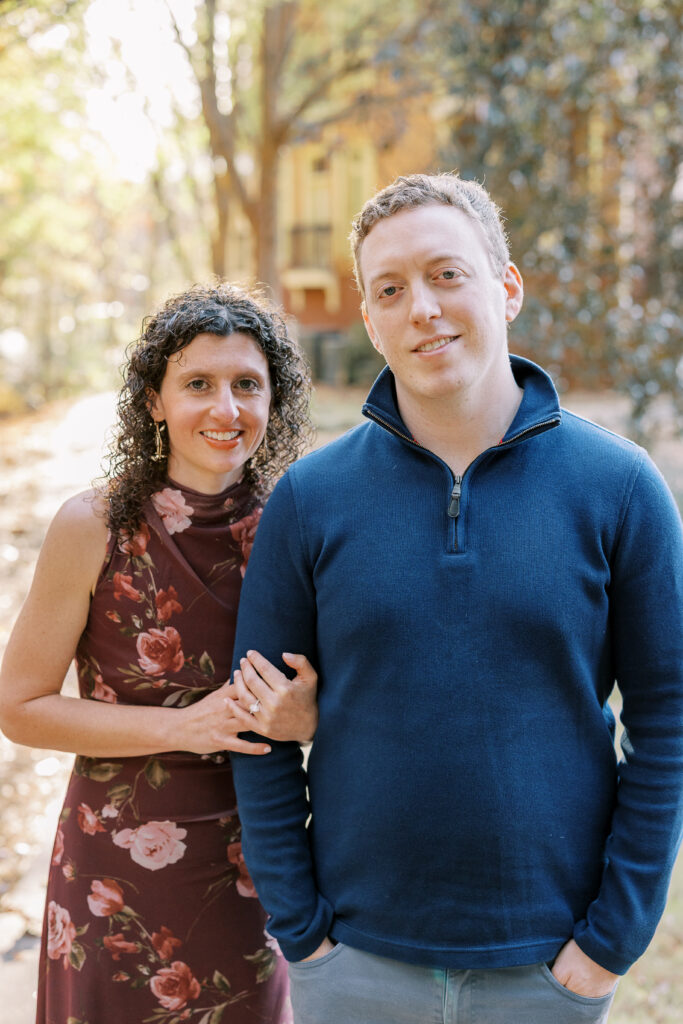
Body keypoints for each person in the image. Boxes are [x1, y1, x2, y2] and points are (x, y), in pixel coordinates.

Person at [228, 173, 683, 1024]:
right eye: (390, 290)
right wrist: (304, 937)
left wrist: (607, 944)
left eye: (447, 275)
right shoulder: (310, 500)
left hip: (549, 969)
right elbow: (255, 727)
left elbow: (667, 720)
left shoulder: (620, 488)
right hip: (354, 964)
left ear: (505, 287)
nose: (422, 310)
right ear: (369, 320)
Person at [0, 282, 319, 1024]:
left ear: (275, 401)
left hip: (256, 861)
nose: (225, 408)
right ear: (153, 400)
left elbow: (348, 695)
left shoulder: (301, 528)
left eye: (247, 385)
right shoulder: (92, 526)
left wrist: (310, 720)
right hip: (113, 870)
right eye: (197, 384)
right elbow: (19, 708)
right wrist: (181, 727)